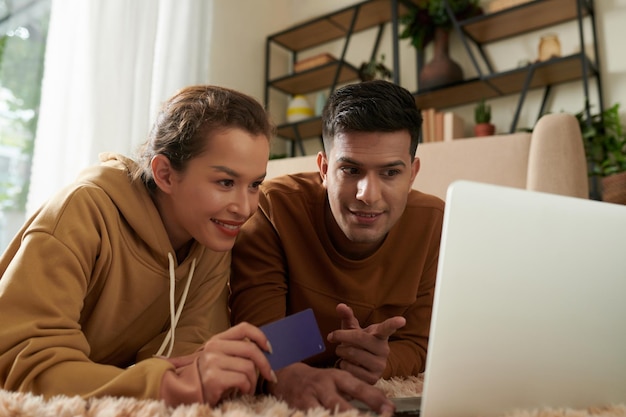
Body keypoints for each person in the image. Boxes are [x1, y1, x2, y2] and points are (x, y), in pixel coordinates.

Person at [0, 85, 280, 407]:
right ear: (165, 174)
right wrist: (168, 384)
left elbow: (186, 352)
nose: (245, 209)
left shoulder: (211, 239)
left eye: (255, 184)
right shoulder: (82, 211)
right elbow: (24, 366)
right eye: (226, 183)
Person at [229, 80, 445, 411]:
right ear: (325, 169)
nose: (368, 195)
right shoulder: (273, 209)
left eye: (390, 173)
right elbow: (261, 340)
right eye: (351, 169)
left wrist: (381, 362)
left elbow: (418, 343)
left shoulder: (433, 222)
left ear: (412, 174)